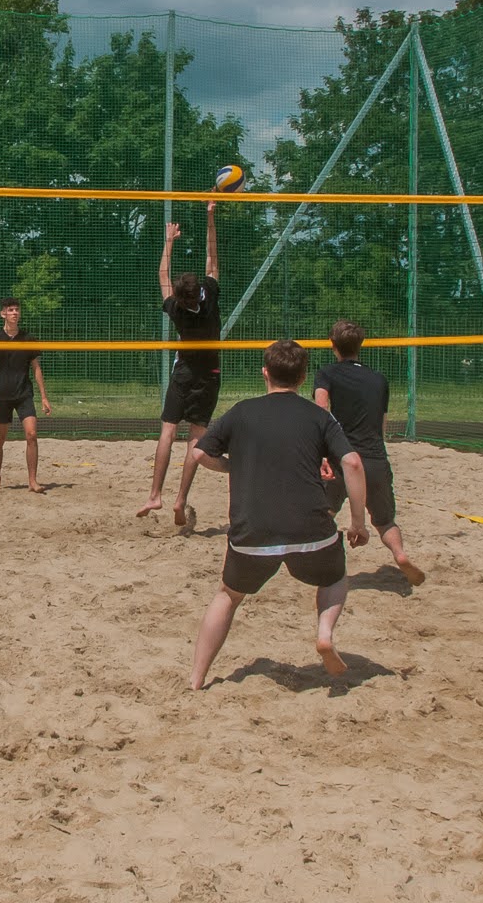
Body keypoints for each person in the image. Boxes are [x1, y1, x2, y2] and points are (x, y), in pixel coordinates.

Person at [176, 339, 369, 690]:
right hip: (310, 528)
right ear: (303, 376)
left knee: (227, 596)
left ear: (264, 372)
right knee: (334, 577)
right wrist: (359, 523)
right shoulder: (318, 416)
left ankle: (196, 678)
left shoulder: (242, 411)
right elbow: (353, 463)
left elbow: (199, 453)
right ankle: (324, 634)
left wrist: (234, 467)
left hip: (253, 532)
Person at [315, 319, 424, 587]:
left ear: (333, 344)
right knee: (385, 521)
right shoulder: (378, 378)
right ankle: (399, 554)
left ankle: (328, 565)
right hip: (374, 456)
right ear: (360, 346)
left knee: (324, 514)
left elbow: (320, 409)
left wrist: (322, 452)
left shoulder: (327, 373)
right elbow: (382, 424)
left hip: (343, 457)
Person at [138, 205, 222, 519]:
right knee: (195, 440)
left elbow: (162, 273)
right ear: (198, 290)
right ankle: (179, 500)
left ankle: (155, 495)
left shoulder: (175, 307)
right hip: (208, 374)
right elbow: (212, 257)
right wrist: (210, 216)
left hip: (184, 372)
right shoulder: (210, 295)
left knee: (167, 433)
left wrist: (169, 241)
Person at [0, 296, 52, 492]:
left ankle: (32, 481)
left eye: (17, 310)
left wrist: (44, 397)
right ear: (3, 314)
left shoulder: (28, 339)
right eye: (10, 310)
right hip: (1, 395)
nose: (14, 313)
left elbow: (36, 368)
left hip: (23, 394)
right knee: (0, 437)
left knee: (31, 434)